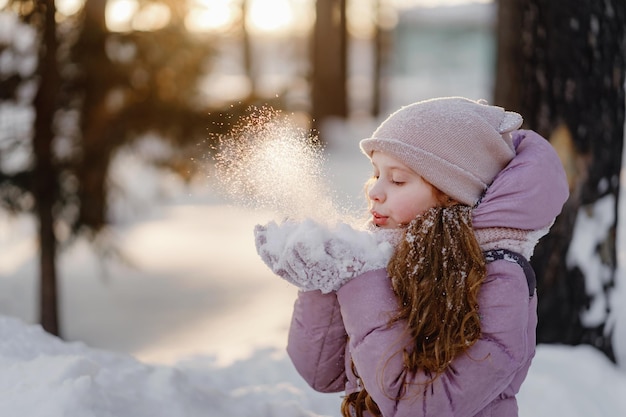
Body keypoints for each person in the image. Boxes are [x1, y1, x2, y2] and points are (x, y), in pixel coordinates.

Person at [254, 97, 569, 417]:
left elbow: (421, 406)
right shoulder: (386, 259)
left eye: (398, 179)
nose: (375, 191)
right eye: (376, 174)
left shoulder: (500, 280)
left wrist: (360, 278)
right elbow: (324, 373)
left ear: (451, 193)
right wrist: (321, 281)